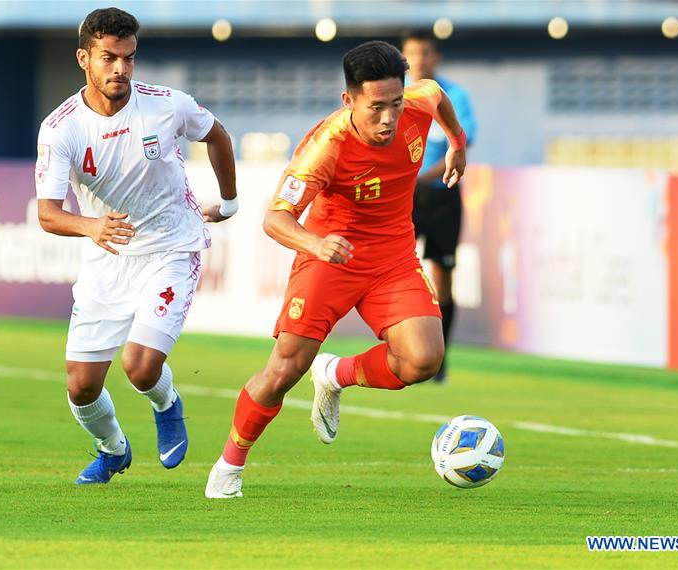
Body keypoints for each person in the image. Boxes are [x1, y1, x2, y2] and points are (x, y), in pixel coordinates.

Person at [204, 40, 467, 498]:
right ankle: (229, 466)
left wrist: (457, 143)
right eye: (376, 108)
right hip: (330, 255)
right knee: (285, 370)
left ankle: (335, 374)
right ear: (349, 100)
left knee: (423, 359)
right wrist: (315, 244)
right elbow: (275, 219)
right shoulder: (326, 147)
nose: (388, 118)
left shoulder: (416, 104)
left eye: (395, 104)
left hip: (393, 257)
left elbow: (436, 93)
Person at [35, 7, 237, 484]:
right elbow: (48, 213)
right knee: (81, 387)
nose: (121, 69)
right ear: (84, 59)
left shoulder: (167, 105)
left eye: (128, 58)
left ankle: (167, 404)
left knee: (141, 367)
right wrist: (90, 227)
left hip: (171, 247)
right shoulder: (61, 128)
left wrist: (229, 203)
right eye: (109, 58)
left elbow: (218, 136)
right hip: (107, 259)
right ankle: (113, 451)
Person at [402, 30, 477, 382]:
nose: (420, 59)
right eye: (413, 52)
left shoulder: (453, 96)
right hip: (403, 196)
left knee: (443, 277)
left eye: (426, 52)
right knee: (396, 270)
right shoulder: (393, 95)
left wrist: (420, 177)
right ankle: (403, 348)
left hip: (443, 193)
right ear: (404, 57)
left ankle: (439, 359)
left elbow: (461, 142)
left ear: (436, 57)